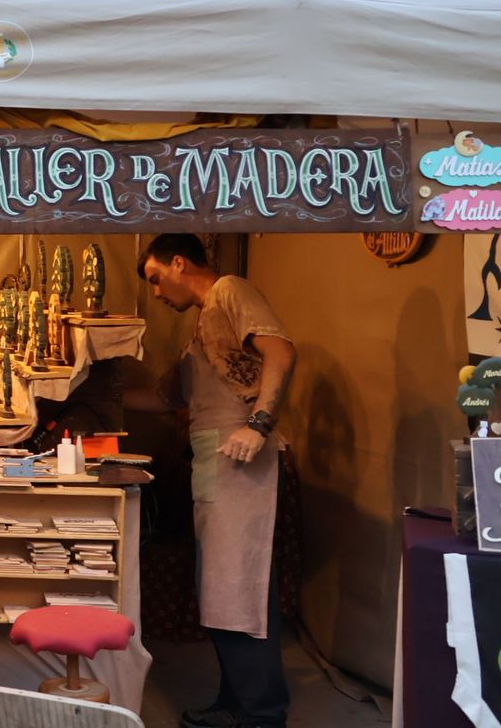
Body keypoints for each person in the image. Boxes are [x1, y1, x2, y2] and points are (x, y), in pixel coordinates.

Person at [130, 234, 295, 728]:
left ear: (180, 262)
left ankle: (263, 714)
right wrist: (89, 392)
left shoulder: (229, 290)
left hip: (239, 453)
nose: (157, 293)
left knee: (241, 587)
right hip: (210, 456)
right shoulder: (200, 326)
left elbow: (281, 353)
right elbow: (164, 400)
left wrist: (259, 424)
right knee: (221, 591)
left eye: (157, 279)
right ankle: (235, 700)